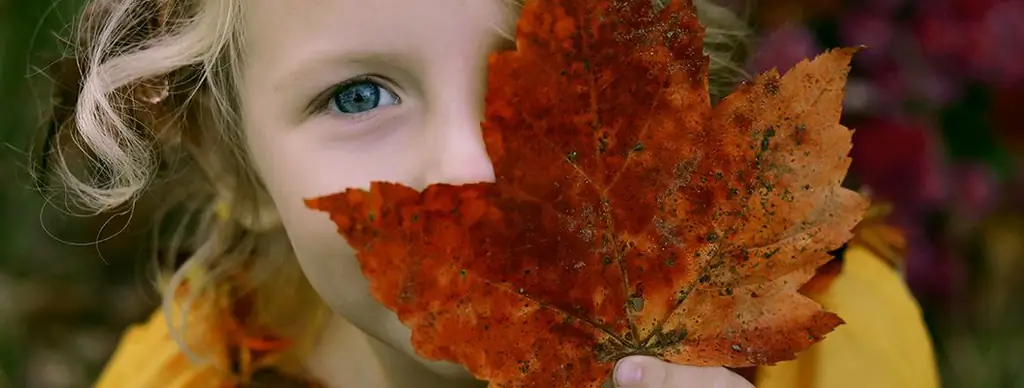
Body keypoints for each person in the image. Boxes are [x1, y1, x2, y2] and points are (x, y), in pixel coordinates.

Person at [34, 0, 940, 386]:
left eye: (532, 68)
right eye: (358, 96)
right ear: (235, 166)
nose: (469, 171)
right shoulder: (179, 377)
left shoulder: (838, 346)